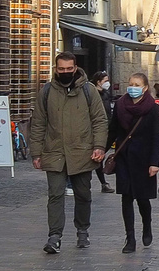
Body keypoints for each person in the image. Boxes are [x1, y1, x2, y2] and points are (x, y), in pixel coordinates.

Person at [29, 52, 108, 254]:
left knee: (83, 194)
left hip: (82, 152)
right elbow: (38, 124)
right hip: (54, 152)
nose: (65, 72)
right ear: (56, 69)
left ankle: (82, 230)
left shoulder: (89, 91)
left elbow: (99, 120)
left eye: (69, 69)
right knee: (55, 194)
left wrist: (99, 147)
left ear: (75, 68)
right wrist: (36, 153)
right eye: (61, 69)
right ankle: (54, 236)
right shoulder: (46, 91)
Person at [107, 72, 159, 253]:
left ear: (145, 88)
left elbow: (157, 137)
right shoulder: (121, 105)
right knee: (126, 198)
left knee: (143, 199)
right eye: (131, 84)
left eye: (137, 85)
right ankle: (130, 238)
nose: (133, 88)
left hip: (144, 161)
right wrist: (101, 149)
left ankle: (147, 225)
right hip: (124, 158)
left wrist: (154, 162)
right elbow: (113, 130)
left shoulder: (152, 108)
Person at [93, 73, 116, 193]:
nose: (108, 83)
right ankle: (103, 183)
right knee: (98, 157)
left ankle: (103, 183)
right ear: (98, 81)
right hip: (97, 130)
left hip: (108, 128)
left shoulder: (106, 94)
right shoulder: (93, 94)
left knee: (99, 157)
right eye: (105, 80)